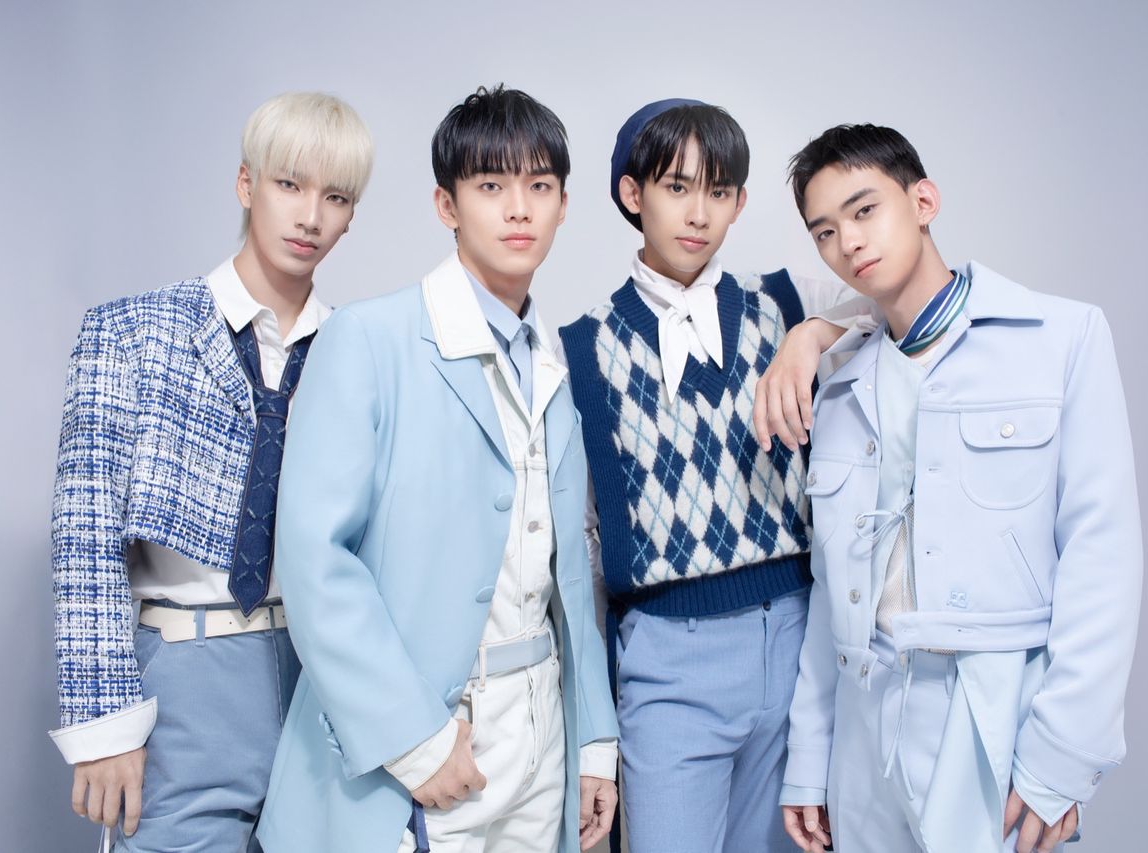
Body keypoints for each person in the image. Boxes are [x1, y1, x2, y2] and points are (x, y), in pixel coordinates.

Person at [255, 85, 618, 853]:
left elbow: (569, 574)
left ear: (563, 205)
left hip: (545, 733)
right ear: (446, 205)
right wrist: (414, 738)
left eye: (539, 187)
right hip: (428, 734)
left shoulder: (552, 363)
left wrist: (594, 739)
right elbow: (315, 558)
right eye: (490, 186)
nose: (518, 209)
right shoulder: (369, 339)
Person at [772, 124, 1143, 853]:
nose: (849, 242)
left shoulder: (1061, 338)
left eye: (864, 209)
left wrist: (1064, 755)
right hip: (863, 725)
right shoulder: (840, 383)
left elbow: (1103, 558)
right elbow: (829, 588)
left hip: (994, 712)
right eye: (825, 232)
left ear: (923, 201)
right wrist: (809, 762)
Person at [49, 91, 373, 851]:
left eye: (334, 197)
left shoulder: (358, 353)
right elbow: (84, 532)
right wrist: (102, 721)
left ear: (351, 216)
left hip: (321, 684)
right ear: (246, 184)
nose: (309, 216)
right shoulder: (132, 332)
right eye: (289, 184)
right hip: (185, 679)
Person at [558, 99, 858, 852]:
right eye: (677, 187)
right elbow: (580, 543)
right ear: (633, 194)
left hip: (797, 644)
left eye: (719, 192)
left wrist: (811, 337)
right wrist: (593, 723)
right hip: (668, 658)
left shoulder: (788, 302)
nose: (699, 214)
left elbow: (896, 299)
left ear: (740, 203)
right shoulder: (580, 349)